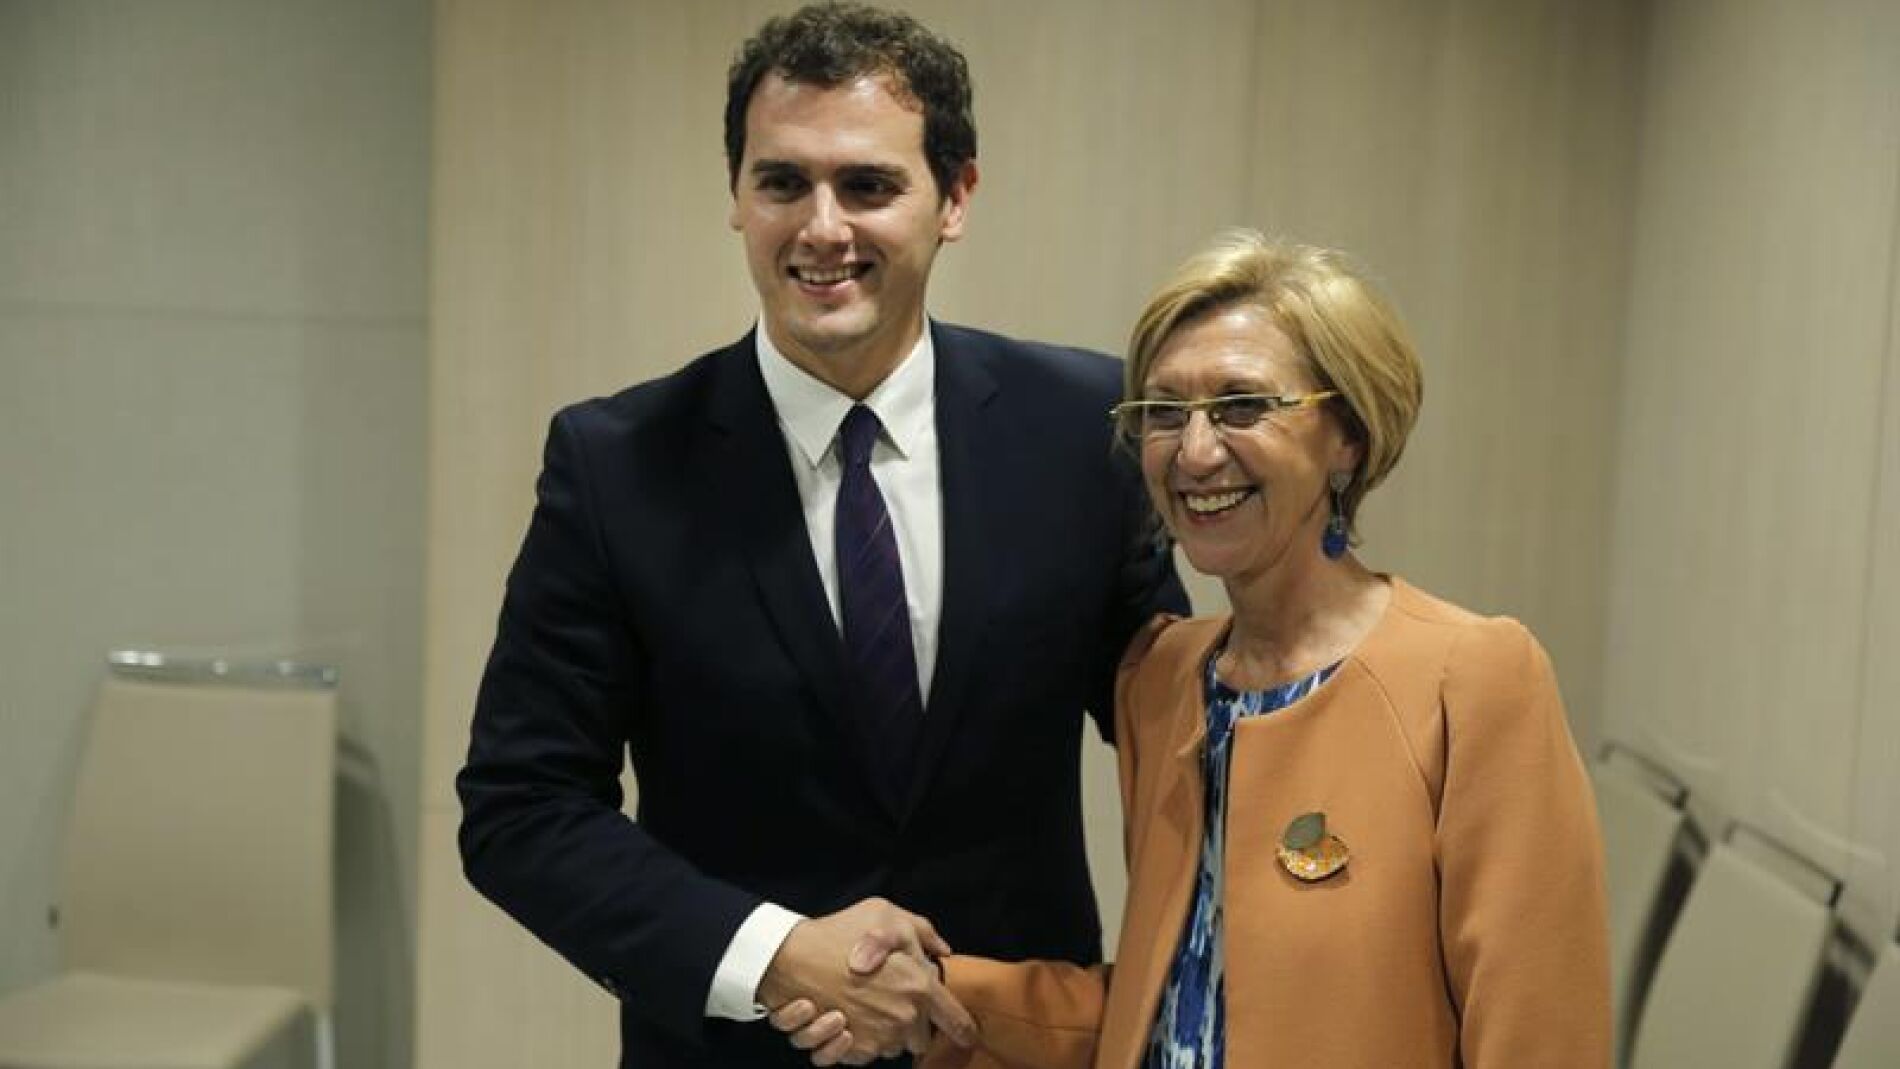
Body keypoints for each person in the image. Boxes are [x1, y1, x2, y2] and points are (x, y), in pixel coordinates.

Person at [455, 3, 1187, 1066]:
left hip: (1016, 1045)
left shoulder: (1083, 429)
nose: (822, 228)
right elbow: (520, 807)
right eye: (782, 181)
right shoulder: (615, 465)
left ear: (955, 197)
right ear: (738, 198)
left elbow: (1172, 739)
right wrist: (771, 952)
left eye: (869, 185)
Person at [774, 231, 1611, 1068]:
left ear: (1347, 434)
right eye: (1164, 413)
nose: (1197, 450)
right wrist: (929, 985)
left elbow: (1542, 1039)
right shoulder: (1164, 677)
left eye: (1243, 405)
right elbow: (1175, 998)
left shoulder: (1473, 679)